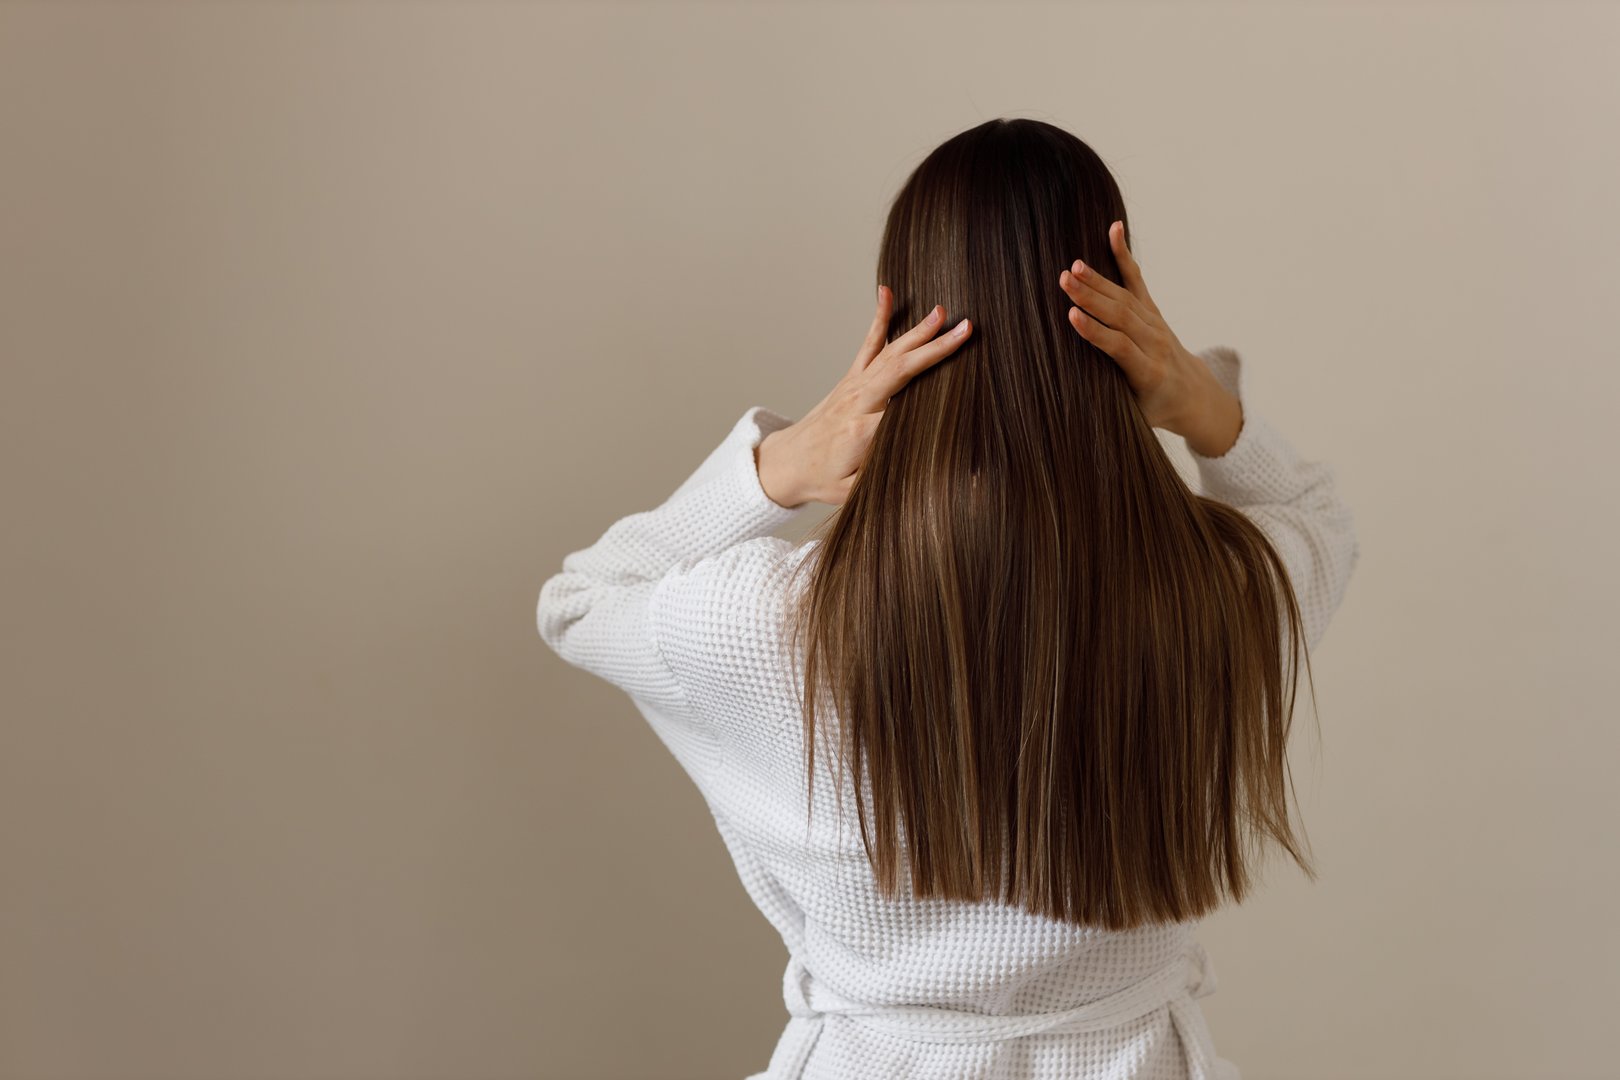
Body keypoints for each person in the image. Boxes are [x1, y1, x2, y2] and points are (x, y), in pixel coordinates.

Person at [537, 118, 1359, 1080]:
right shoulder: (1224, 593)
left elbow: (581, 599)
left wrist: (777, 467)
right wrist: (1201, 405)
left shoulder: (771, 621)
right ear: (1124, 319)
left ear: (897, 331)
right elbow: (1316, 519)